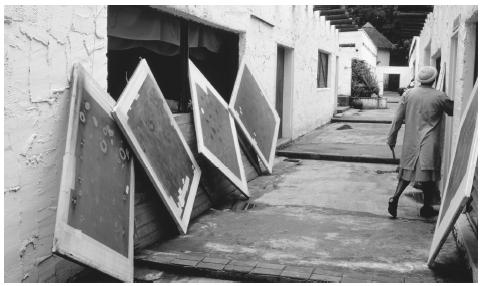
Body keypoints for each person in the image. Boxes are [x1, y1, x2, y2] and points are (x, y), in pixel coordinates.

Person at [387, 66, 453, 218]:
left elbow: (397, 118)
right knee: (428, 175)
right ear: (434, 79)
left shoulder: (408, 94)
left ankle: (395, 198)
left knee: (406, 172)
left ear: (419, 79)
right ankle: (427, 207)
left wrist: (392, 138)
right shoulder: (440, 96)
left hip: (411, 140)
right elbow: (452, 111)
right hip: (430, 141)